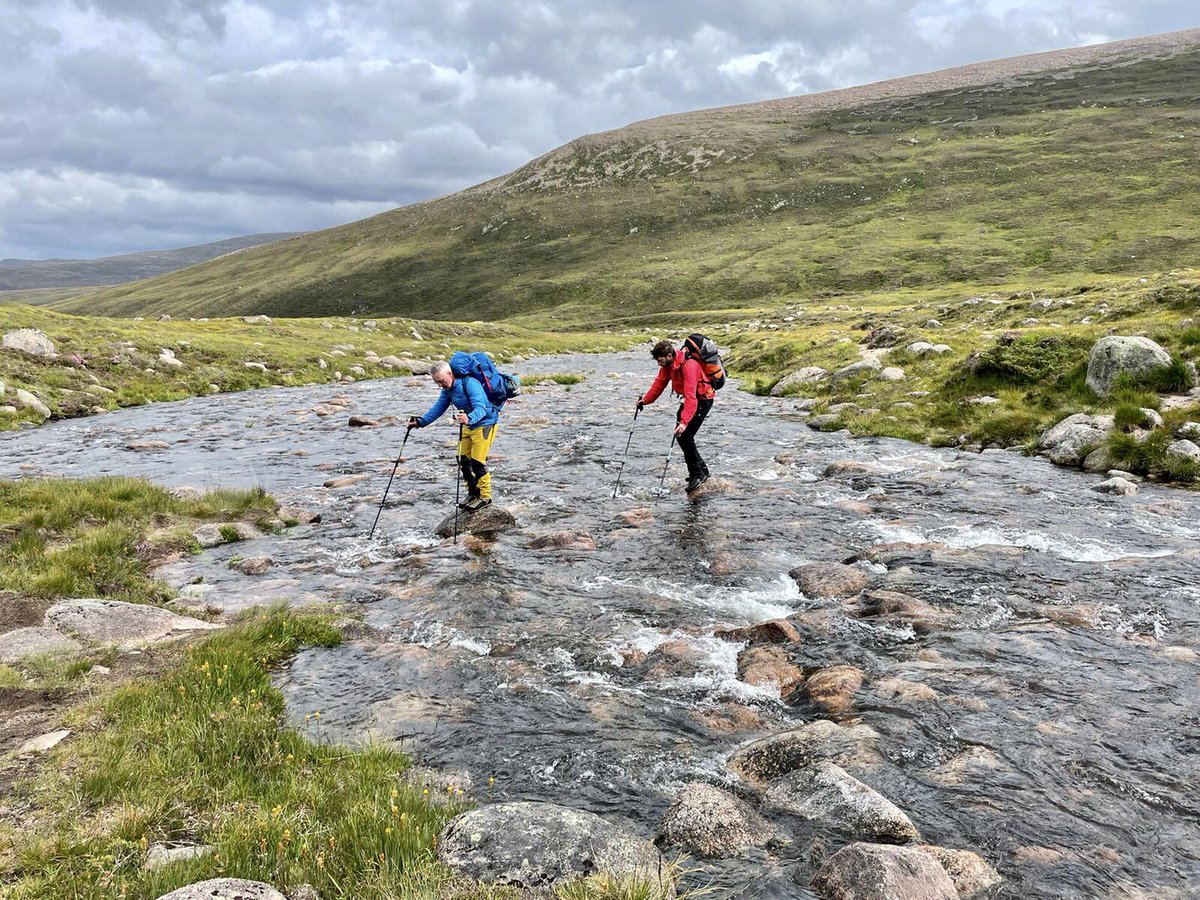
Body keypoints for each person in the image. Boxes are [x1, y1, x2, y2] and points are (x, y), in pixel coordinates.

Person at [409, 360, 500, 511]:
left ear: (450, 374)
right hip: (468, 425)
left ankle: (485, 496)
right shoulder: (447, 391)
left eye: (442, 381)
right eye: (437, 382)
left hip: (485, 424)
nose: (440, 385)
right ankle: (473, 493)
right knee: (463, 460)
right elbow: (438, 408)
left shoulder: (470, 384)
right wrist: (421, 422)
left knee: (477, 462)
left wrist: (470, 418)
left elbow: (481, 408)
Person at [637, 339, 715, 493]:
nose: (659, 364)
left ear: (669, 355)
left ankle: (697, 475)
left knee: (685, 435)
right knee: (681, 436)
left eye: (660, 360)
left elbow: (691, 396)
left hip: (703, 399)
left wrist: (684, 422)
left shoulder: (689, 365)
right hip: (689, 400)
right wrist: (645, 401)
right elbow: (658, 385)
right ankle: (702, 471)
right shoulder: (667, 366)